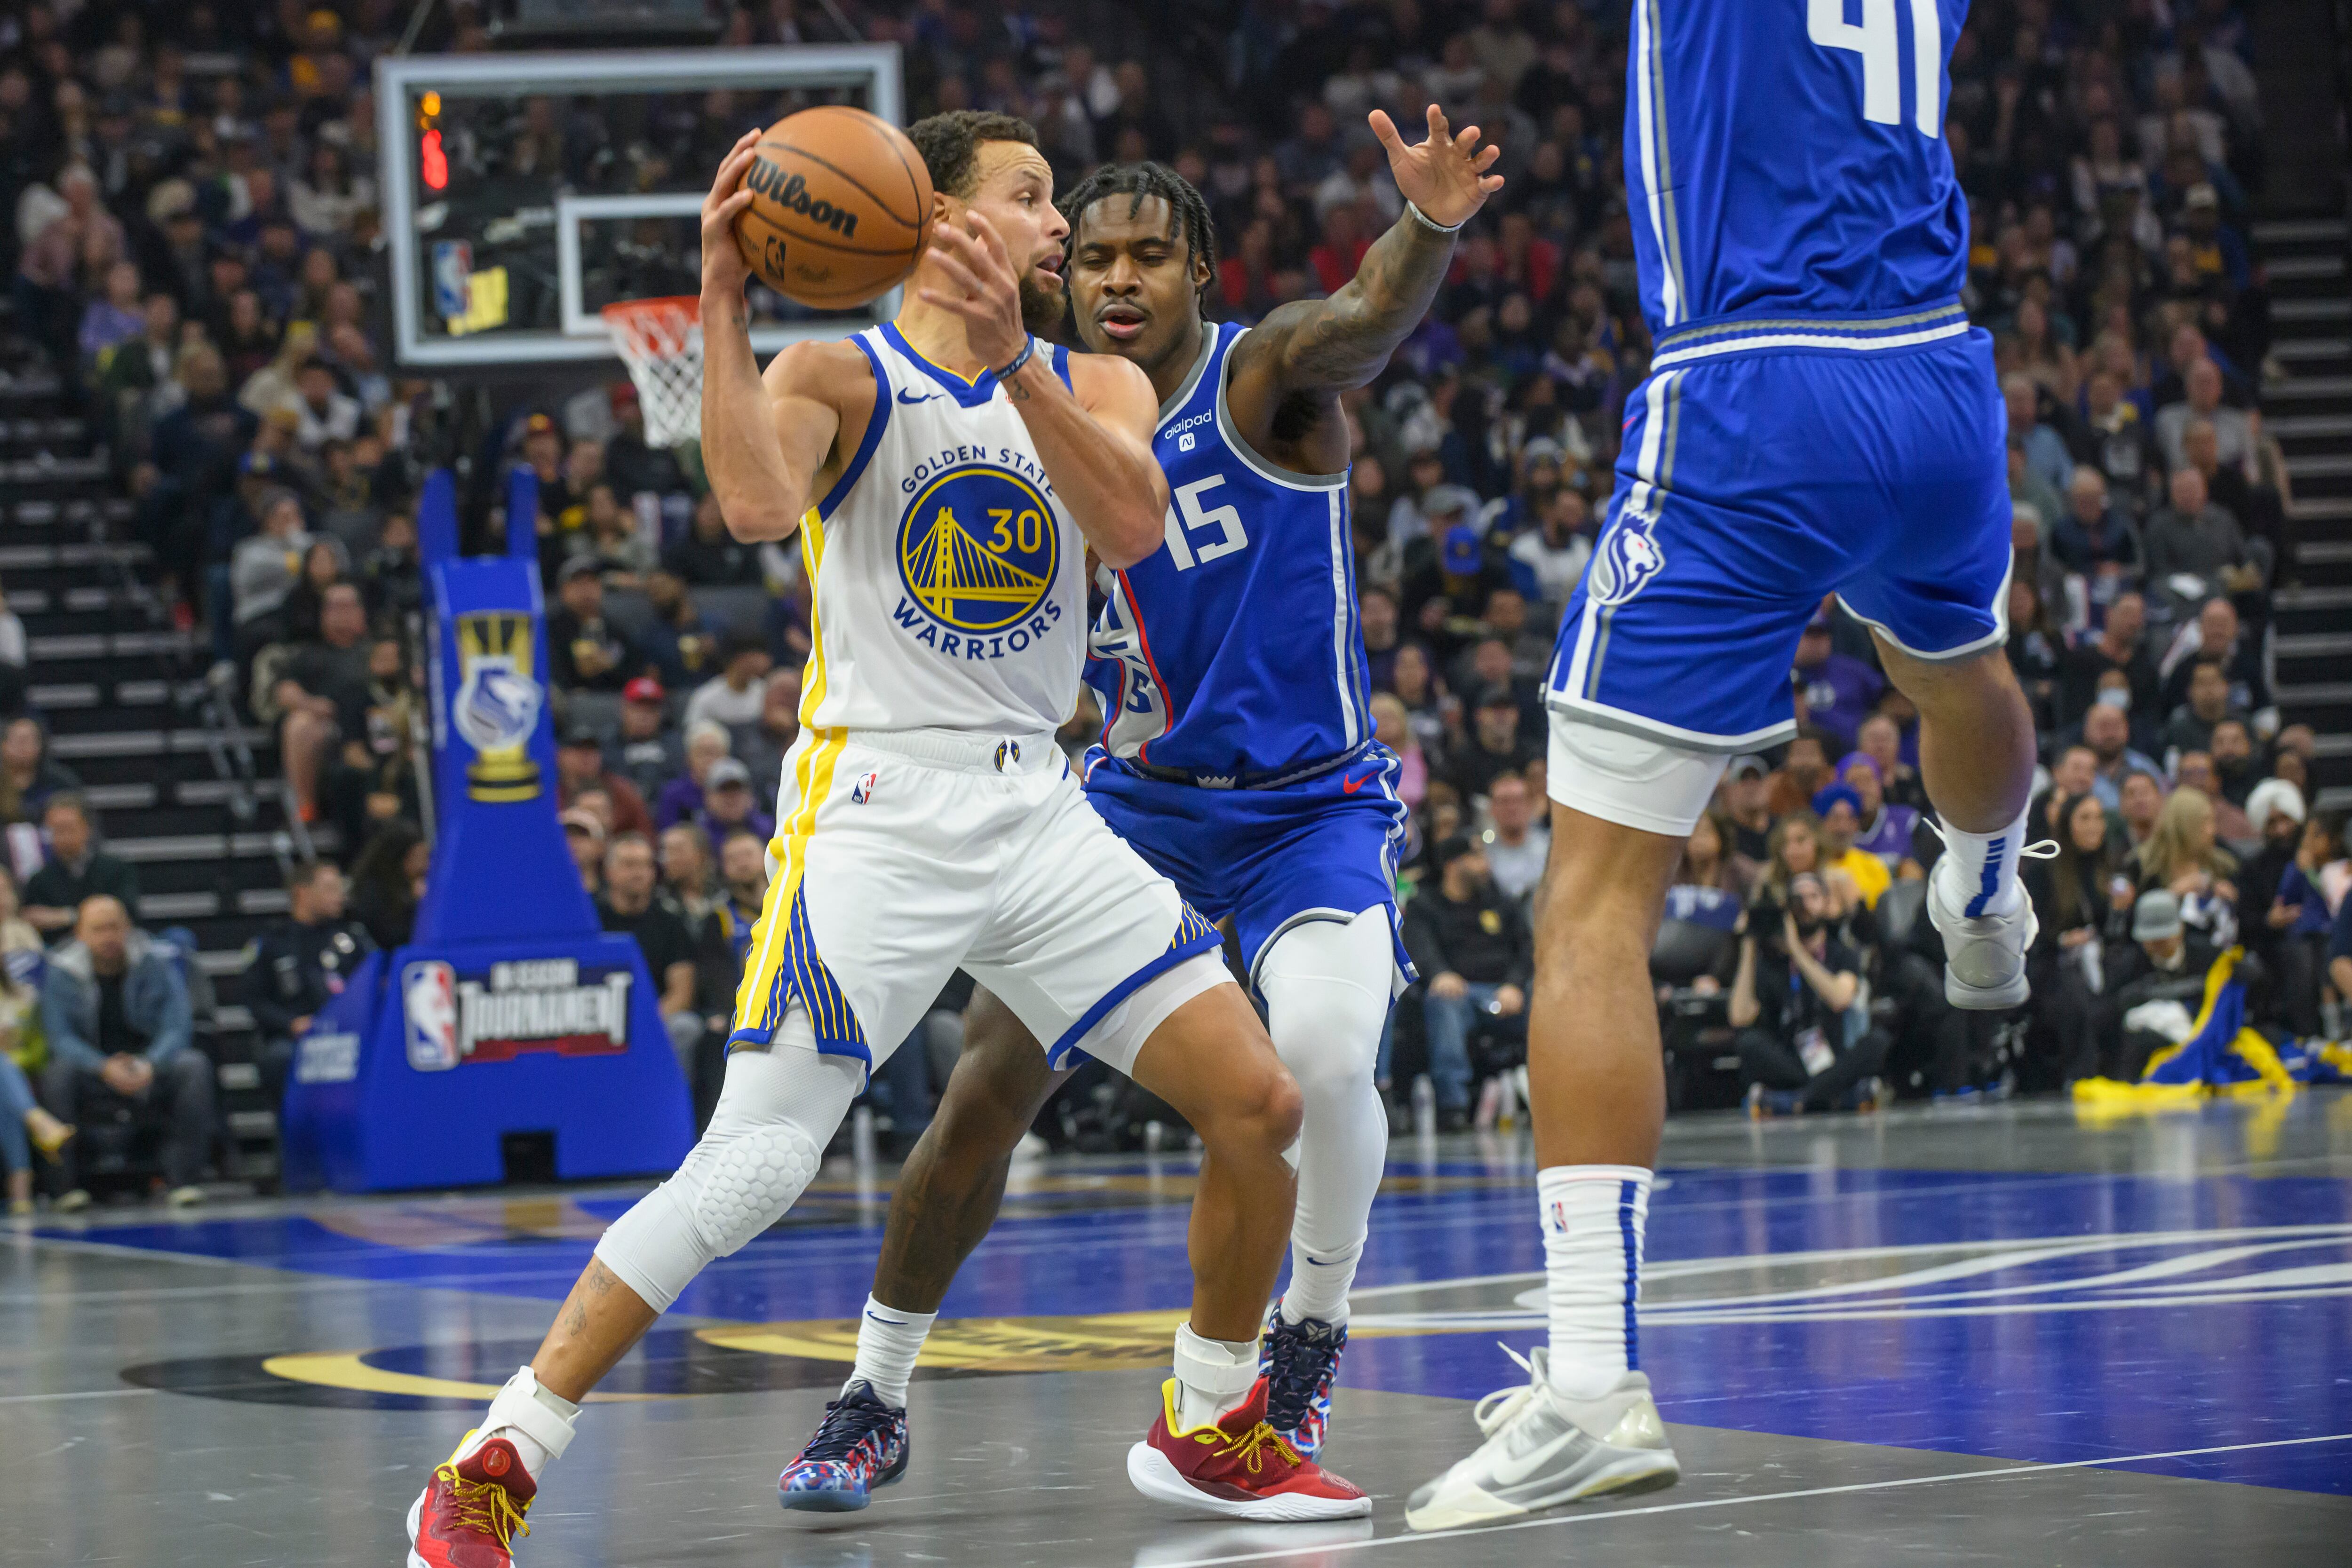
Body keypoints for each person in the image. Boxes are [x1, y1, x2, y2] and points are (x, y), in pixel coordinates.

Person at [406, 114, 1363, 1568]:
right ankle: (495, 1458)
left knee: (1262, 1100)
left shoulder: (1091, 376)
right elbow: (750, 502)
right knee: (755, 1163)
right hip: (877, 807)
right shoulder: (837, 373)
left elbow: (1130, 526)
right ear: (938, 217)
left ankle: (1211, 1418)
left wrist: (1020, 365)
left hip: (1041, 804)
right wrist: (721, 294)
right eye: (1033, 199)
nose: (1062, 227)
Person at [765, 129, 1506, 1494]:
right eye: (1094, 255)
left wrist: (1427, 228)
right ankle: (873, 1390)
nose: (1117, 277)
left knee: (1323, 1060)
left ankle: (1304, 1337)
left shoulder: (1263, 379)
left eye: (1149, 257)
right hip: (1129, 806)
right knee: (986, 1089)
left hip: (1305, 806)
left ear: (1199, 273)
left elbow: (1360, 318)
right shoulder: (1027, 402)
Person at [1409, 8, 2056, 1530]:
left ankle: (1589, 1383)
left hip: (1758, 387)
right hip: (1936, 370)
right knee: (1955, 661)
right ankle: (1984, 885)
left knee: (1591, 910)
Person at [40, 897, 209, 1209]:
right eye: (98, 929)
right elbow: (60, 1038)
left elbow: (177, 1025)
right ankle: (64, 1188)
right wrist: (102, 1066)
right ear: (80, 934)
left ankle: (183, 1181)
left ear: (128, 928)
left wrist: (150, 1063)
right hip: (92, 1071)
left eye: (114, 927)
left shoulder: (155, 961)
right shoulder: (63, 971)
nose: (108, 936)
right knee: (57, 1074)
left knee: (194, 1066)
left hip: (148, 1066)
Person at [1402, 834, 1532, 1130]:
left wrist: (1514, 984)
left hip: (1507, 992)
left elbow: (1527, 950)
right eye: (1476, 858)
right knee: (1443, 1001)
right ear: (1452, 865)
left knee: (1546, 999)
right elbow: (1420, 949)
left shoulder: (1500, 902)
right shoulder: (1426, 905)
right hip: (1462, 995)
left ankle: (1550, 1096)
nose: (1486, 865)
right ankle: (1453, 1107)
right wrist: (1440, 974)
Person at [1732, 872, 1887, 1117]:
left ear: (1826, 903)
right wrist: (1749, 944)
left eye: (1813, 897)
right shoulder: (1772, 960)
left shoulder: (1842, 953)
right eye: (1798, 899)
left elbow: (1839, 999)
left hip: (1835, 1056)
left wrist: (1797, 950)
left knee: (1877, 1042)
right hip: (1791, 1059)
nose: (1805, 906)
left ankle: (1796, 1101)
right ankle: (1833, 1098)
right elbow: (1739, 1017)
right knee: (1748, 1043)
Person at [244, 860, 374, 1109]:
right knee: (279, 1057)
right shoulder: (272, 943)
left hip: (349, 1035)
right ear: (302, 893)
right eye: (330, 889)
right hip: (296, 1038)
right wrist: (291, 1024)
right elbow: (255, 1000)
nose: (340, 897)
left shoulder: (352, 939)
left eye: (341, 889)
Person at [2023, 793, 2133, 1085]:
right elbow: (2031, 933)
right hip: (2055, 964)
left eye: (2099, 818)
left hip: (2101, 958)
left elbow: (2116, 933)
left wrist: (2120, 911)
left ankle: (2123, 1075)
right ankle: (2083, 1078)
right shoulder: (2044, 872)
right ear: (2067, 824)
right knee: (2077, 998)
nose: (2094, 825)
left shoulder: (2111, 869)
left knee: (2127, 984)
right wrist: (2062, 940)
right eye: (2085, 818)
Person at [595, 834, 701, 1078]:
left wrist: (642, 1022)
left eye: (645, 865)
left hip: (655, 1019)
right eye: (629, 865)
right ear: (609, 872)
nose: (639, 873)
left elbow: (681, 994)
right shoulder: (592, 921)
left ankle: (675, 1102)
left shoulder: (671, 924)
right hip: (598, 1020)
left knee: (686, 1026)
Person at [24, 795, 142, 939]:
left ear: (87, 828)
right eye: (56, 829)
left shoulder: (117, 870)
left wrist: (66, 917)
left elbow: (127, 913)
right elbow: (33, 919)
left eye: (69, 827)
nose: (63, 836)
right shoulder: (40, 881)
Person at [1481, 771, 1549, 908]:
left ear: (1530, 805)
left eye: (1518, 800)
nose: (1512, 808)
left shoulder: (1550, 848)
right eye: (1504, 802)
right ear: (1492, 808)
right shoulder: (1481, 853)